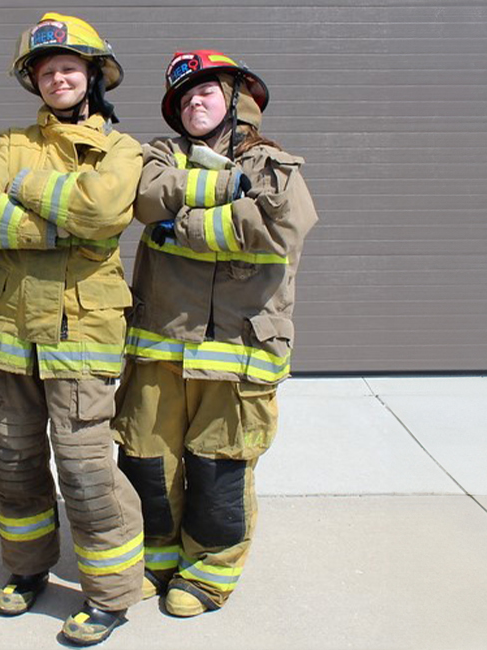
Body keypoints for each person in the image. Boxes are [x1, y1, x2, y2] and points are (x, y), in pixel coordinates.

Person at [0, 12, 144, 646]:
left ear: (93, 76)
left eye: (70, 67)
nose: (58, 77)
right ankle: (26, 569)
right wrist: (65, 222)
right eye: (46, 69)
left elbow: (104, 209)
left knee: (86, 468)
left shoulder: (122, 148)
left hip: (82, 335)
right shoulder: (5, 142)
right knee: (13, 464)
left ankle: (112, 594)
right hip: (9, 332)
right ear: (32, 80)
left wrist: (26, 189)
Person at [115, 50, 318, 618]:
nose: (193, 102)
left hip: (239, 350)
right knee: (147, 457)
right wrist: (234, 194)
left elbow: (280, 231)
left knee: (219, 463)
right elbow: (145, 200)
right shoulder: (157, 157)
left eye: (206, 91)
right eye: (184, 97)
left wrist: (183, 230)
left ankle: (207, 575)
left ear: (236, 99)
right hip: (159, 343)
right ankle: (154, 562)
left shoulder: (274, 162)